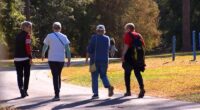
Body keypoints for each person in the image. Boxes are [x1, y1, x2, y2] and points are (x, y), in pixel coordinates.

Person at [42, 22, 71, 101]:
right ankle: (58, 91)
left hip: (52, 59)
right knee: (58, 75)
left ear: (53, 28)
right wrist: (69, 59)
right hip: (61, 59)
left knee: (55, 76)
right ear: (60, 28)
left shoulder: (49, 36)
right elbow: (68, 49)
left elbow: (45, 46)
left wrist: (43, 54)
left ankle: (57, 94)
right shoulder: (64, 37)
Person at [87, 24, 114, 99]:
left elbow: (90, 49)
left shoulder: (94, 38)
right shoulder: (107, 38)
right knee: (103, 75)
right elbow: (108, 48)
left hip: (94, 61)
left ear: (96, 31)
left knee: (94, 77)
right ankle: (109, 86)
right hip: (104, 60)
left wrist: (88, 55)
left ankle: (96, 94)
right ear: (104, 31)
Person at [121, 23, 146, 98]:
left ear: (128, 29)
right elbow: (143, 46)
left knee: (127, 74)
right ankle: (142, 88)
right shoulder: (138, 35)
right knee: (137, 73)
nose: (125, 30)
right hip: (137, 58)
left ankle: (128, 91)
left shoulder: (128, 35)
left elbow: (126, 46)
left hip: (129, 57)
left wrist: (123, 55)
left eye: (126, 28)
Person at [14, 21, 32, 98]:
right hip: (25, 58)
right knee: (27, 75)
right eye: (29, 27)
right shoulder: (27, 36)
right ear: (24, 27)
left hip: (17, 58)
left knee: (19, 75)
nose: (30, 28)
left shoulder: (17, 36)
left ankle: (21, 89)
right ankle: (25, 90)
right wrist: (30, 57)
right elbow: (27, 47)